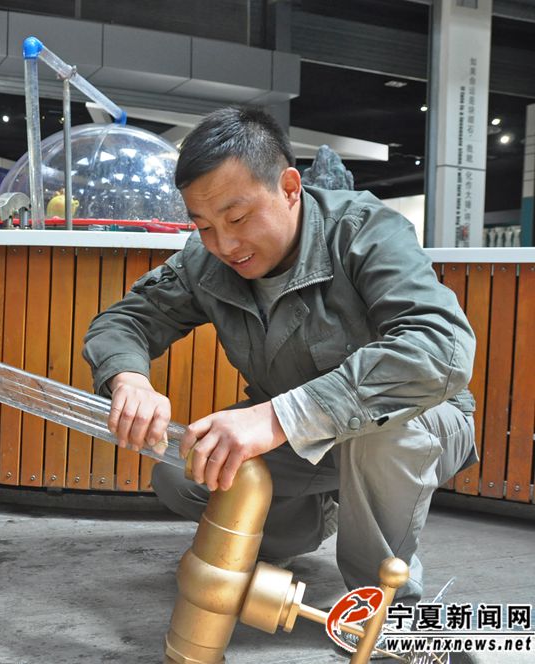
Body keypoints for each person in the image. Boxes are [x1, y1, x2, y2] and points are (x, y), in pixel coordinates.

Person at [83, 107, 478, 613]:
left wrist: (275, 417)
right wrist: (129, 379)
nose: (223, 244)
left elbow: (438, 346)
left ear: (290, 187)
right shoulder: (203, 262)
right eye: (203, 225)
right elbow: (124, 321)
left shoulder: (364, 229)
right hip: (303, 443)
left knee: (380, 435)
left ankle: (380, 608)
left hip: (417, 424)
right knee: (181, 471)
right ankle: (298, 529)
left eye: (238, 218)